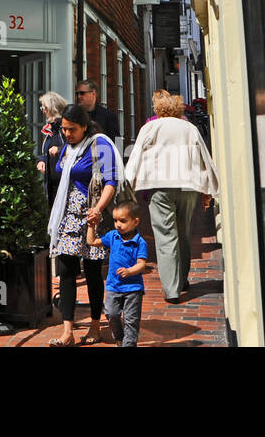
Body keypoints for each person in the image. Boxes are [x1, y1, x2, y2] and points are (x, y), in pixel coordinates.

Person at [124, 89, 220, 303]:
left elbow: (136, 154)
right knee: (184, 233)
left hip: (159, 187)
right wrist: (208, 190)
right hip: (187, 186)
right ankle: (182, 278)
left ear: (158, 109)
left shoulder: (150, 127)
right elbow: (203, 156)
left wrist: (128, 186)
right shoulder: (189, 128)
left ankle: (172, 289)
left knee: (166, 236)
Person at [46, 103, 120, 346]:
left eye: (72, 130)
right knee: (66, 271)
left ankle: (95, 325)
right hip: (67, 213)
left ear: (84, 127)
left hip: (91, 214)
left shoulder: (100, 145)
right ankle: (67, 331)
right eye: (64, 129)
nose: (67, 134)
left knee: (92, 271)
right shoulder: (68, 146)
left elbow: (111, 181)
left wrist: (97, 210)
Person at [86, 200, 148, 347]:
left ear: (135, 221)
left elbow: (142, 264)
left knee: (131, 320)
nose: (118, 224)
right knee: (111, 313)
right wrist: (91, 226)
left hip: (133, 288)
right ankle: (119, 338)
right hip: (113, 286)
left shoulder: (140, 242)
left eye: (123, 221)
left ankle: (129, 344)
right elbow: (92, 241)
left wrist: (129, 271)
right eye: (115, 220)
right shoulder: (113, 236)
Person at [34, 91, 70, 200]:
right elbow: (46, 152)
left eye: (44, 108)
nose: (43, 111)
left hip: (64, 183)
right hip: (52, 184)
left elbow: (75, 148)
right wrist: (41, 161)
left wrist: (59, 149)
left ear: (52, 108)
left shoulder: (64, 127)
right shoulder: (52, 129)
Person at [75, 79, 120, 145]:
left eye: (82, 93)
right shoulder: (75, 115)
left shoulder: (109, 116)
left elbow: (117, 142)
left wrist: (119, 155)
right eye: (77, 94)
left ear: (93, 93)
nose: (79, 96)